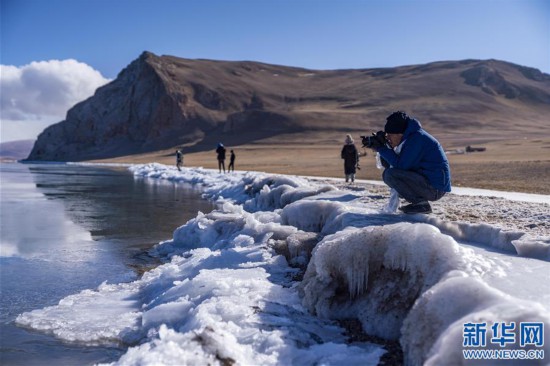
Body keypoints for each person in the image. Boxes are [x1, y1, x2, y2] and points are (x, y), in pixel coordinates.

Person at [371, 111, 451, 214]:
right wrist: (384, 147)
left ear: (400, 133)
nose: (388, 138)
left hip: (435, 189)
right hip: (429, 183)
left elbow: (401, 165)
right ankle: (418, 203)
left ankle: (421, 205)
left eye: (390, 135)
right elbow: (390, 164)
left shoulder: (417, 140)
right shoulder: (412, 138)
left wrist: (381, 148)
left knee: (390, 175)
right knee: (390, 173)